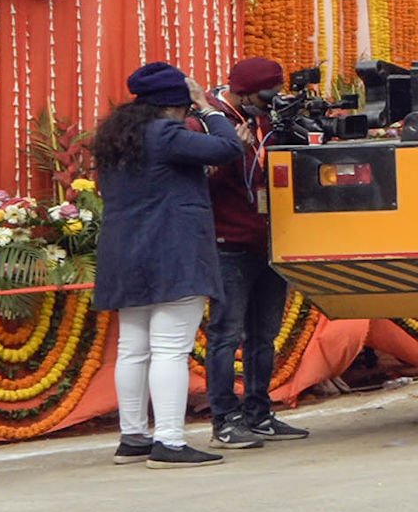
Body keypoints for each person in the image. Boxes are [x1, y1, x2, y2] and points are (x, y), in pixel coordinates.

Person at [91, 63, 242, 468]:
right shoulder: (166, 133)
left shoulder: (116, 136)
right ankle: (170, 442)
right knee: (170, 350)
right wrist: (208, 108)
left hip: (124, 254)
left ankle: (134, 437)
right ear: (178, 104)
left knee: (133, 350)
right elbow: (230, 149)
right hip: (173, 253)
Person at [200, 60, 306, 452]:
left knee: (264, 334)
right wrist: (232, 150)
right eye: (267, 95)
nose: (272, 102)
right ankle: (224, 421)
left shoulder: (268, 121)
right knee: (226, 335)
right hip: (228, 244)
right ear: (243, 92)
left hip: (268, 243)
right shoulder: (212, 120)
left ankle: (259, 413)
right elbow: (203, 180)